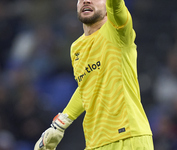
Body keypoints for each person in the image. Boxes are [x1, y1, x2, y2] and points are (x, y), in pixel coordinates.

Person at [34, 0, 154, 149]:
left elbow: (116, 7)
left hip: (127, 136)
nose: (86, 0)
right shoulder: (76, 47)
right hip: (95, 142)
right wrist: (60, 124)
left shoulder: (117, 30)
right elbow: (86, 86)